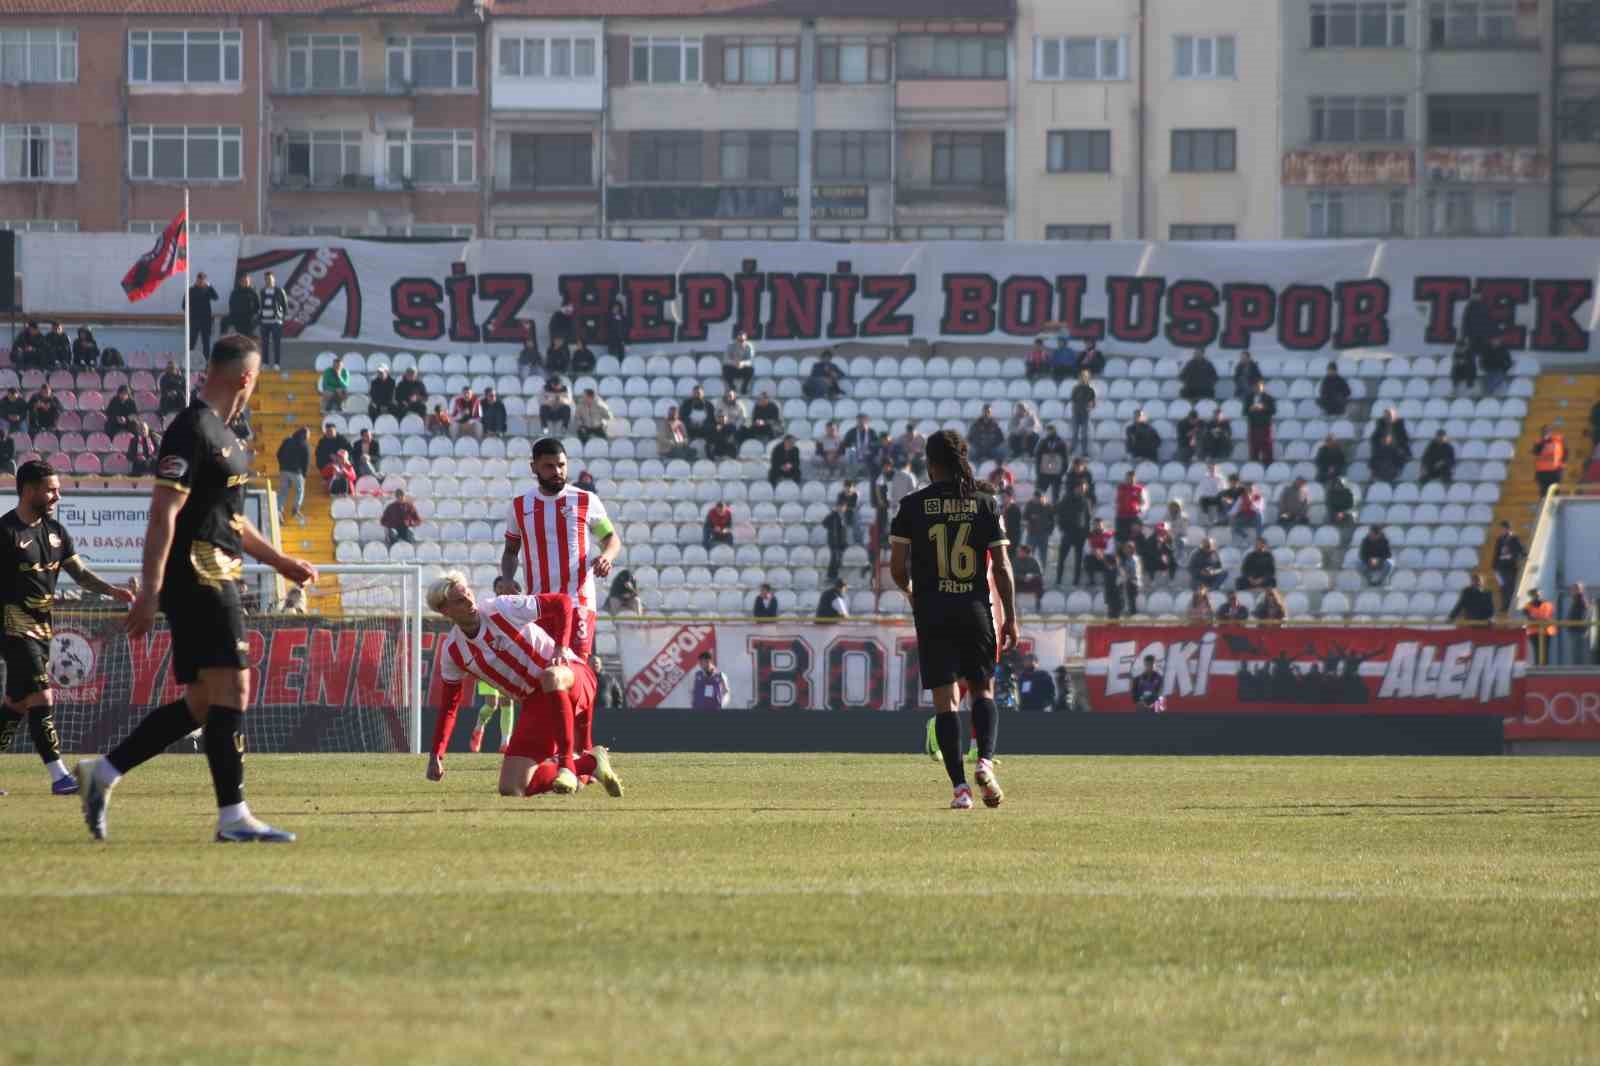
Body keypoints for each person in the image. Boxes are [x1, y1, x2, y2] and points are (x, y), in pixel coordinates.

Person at [75, 335, 317, 842]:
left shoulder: (228, 438)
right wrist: (151, 591)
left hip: (219, 571)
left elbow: (230, 522)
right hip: (201, 576)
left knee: (207, 701)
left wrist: (281, 562)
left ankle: (104, 772)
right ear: (246, 378)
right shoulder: (191, 429)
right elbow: (164, 510)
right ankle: (233, 818)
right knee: (235, 687)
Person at [888, 429, 1017, 810]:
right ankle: (985, 762)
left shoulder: (911, 506)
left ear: (929, 465)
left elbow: (896, 568)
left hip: (932, 611)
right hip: (975, 610)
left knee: (946, 703)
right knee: (982, 690)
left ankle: (960, 790)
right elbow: (1003, 566)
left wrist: (912, 591)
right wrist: (1010, 617)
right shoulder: (984, 502)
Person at [423, 578, 623, 799]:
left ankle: (567, 766)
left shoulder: (500, 607)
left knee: (550, 676)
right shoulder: (453, 652)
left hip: (572, 675)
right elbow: (449, 706)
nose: (470, 602)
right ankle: (590, 762)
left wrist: (560, 648)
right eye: (460, 601)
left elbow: (562, 602)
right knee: (512, 787)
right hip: (536, 703)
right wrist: (437, 753)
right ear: (445, 610)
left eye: (469, 593)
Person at [0, 462, 132, 794]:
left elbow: (80, 574)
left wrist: (112, 590)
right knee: (42, 694)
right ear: (29, 491)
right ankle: (60, 776)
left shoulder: (55, 531)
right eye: (51, 489)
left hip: (44, 626)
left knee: (17, 703)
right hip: (13, 624)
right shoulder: (5, 533)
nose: (57, 495)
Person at [494, 437, 622, 661]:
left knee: (574, 668)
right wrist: (506, 578)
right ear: (534, 467)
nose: (557, 471)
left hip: (578, 602)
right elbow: (511, 551)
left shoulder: (585, 500)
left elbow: (611, 538)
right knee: (544, 672)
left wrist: (607, 557)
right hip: (539, 604)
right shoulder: (519, 506)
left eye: (561, 465)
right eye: (549, 466)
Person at [1054, 480, 1091, 586]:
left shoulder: (1086, 501)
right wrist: (1062, 528)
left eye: (1084, 489)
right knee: (1062, 558)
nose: (1082, 490)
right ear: (1076, 488)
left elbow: (1088, 518)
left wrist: (1086, 532)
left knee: (1078, 559)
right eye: (1081, 488)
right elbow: (1059, 513)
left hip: (1080, 533)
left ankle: (1076, 581)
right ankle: (1058, 579)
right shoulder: (1066, 498)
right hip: (1068, 532)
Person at [467, 679, 514, 756]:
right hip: (487, 670)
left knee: (507, 702)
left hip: (507, 670)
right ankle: (479, 728)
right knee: (491, 704)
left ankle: (505, 742)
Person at [276, 427, 309, 524]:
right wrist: (304, 475)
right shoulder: (304, 444)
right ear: (304, 435)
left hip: (284, 470)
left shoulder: (287, 441)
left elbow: (278, 454)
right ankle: (296, 507)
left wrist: (282, 465)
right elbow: (306, 462)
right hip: (296, 471)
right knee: (300, 490)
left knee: (283, 491)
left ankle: (278, 509)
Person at [1492, 521, 1526, 613]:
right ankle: (1504, 605)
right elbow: (1496, 553)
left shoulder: (1514, 538)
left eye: (1504, 528)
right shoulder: (1499, 539)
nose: (1503, 530)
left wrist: (1522, 556)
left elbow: (1521, 550)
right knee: (1503, 586)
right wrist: (1494, 565)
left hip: (1511, 566)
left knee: (1510, 586)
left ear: (1509, 529)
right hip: (1501, 566)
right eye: (1502, 528)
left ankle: (1510, 605)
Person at [257, 270, 287, 369]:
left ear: (273, 279)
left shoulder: (279, 291)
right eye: (266, 279)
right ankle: (265, 363)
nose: (268, 281)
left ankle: (276, 364)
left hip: (276, 321)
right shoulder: (262, 291)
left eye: (270, 279)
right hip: (264, 321)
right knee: (264, 344)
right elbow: (259, 305)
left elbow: (285, 305)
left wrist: (281, 318)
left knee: (276, 343)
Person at [186, 272, 219, 357]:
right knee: (191, 342)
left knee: (206, 343)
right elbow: (184, 305)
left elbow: (216, 297)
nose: (200, 282)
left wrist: (210, 286)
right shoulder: (191, 290)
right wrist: (192, 311)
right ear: (196, 280)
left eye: (202, 280)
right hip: (194, 320)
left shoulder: (207, 290)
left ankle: (206, 362)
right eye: (199, 280)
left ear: (205, 281)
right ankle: (188, 361)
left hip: (206, 320)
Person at [1244, 380, 1276, 464]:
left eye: (1259, 386)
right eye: (1256, 387)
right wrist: (1251, 409)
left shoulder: (1268, 397)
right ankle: (1254, 466)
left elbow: (1273, 410)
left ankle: (1268, 465)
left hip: (1265, 426)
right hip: (1253, 426)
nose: (1257, 388)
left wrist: (1263, 407)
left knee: (1267, 447)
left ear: (1262, 387)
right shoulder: (1249, 398)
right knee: (1254, 447)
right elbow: (1244, 412)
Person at [1034, 424, 1068, 499]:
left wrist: (1062, 472)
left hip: (1057, 473)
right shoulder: (1043, 442)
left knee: (1056, 495)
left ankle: (1055, 508)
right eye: (1048, 431)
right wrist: (1039, 471)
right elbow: (1038, 456)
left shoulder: (1061, 443)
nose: (1049, 432)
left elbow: (1065, 459)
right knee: (1039, 493)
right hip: (1044, 473)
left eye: (1051, 430)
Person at [1524, 589, 1556, 667]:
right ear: (1531, 596)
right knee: (1537, 650)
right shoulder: (1527, 606)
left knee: (1545, 650)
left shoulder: (1548, 604)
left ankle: (1545, 668)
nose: (1537, 596)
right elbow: (1529, 617)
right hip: (1534, 631)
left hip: (1546, 631)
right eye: (1535, 595)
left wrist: (1540, 620)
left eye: (1538, 594)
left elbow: (1550, 615)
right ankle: (1538, 667)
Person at [1533, 424, 1566, 498]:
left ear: (1551, 432)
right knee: (1544, 493)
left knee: (1555, 491)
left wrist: (1562, 465)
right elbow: (1536, 452)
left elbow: (1565, 452)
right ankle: (1544, 506)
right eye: (1544, 432)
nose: (1546, 433)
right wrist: (1543, 441)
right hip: (1542, 472)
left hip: (1555, 471)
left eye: (1547, 431)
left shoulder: (1559, 440)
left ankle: (1555, 506)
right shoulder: (1539, 442)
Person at [1114, 469, 1146, 543]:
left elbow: (1144, 503)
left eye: (1132, 478)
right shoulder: (1120, 488)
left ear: (1135, 479)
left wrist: (1140, 508)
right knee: (1122, 539)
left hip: (1133, 517)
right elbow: (1115, 500)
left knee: (1134, 538)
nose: (1130, 480)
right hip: (1121, 516)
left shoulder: (1139, 489)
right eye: (1128, 478)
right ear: (1125, 478)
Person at [1068, 370, 1096, 455]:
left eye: (1085, 377)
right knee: (1075, 433)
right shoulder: (1076, 389)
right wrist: (1074, 411)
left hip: (1085, 414)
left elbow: (1093, 403)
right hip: (1076, 413)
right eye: (1082, 377)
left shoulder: (1090, 389)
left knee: (1084, 434)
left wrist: (1090, 407)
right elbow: (1073, 401)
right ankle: (1072, 449)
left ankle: (1084, 451)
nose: (1083, 379)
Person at [1565, 582, 1592, 665]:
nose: (1572, 591)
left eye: (1575, 589)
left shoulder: (1580, 599)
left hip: (1578, 630)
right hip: (1577, 629)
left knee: (1577, 651)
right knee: (1577, 651)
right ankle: (1578, 667)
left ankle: (1577, 669)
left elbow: (1581, 613)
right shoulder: (1577, 599)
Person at [823, 499, 850, 581]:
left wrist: (845, 542)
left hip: (841, 542)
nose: (843, 508)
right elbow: (824, 523)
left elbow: (844, 530)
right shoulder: (833, 516)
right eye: (841, 506)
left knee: (838, 560)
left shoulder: (843, 516)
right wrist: (832, 514)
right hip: (834, 541)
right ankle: (830, 576)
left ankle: (834, 575)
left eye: (844, 507)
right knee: (834, 559)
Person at [1023, 489, 1053, 562]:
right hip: (1032, 534)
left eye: (1039, 498)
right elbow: (1024, 517)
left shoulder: (1048, 506)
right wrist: (1030, 517)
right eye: (1035, 498)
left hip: (1043, 534)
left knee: (1043, 555)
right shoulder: (1029, 504)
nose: (1037, 500)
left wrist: (1049, 531)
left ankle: (1041, 571)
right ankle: (1028, 570)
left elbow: (1052, 520)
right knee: (1028, 554)